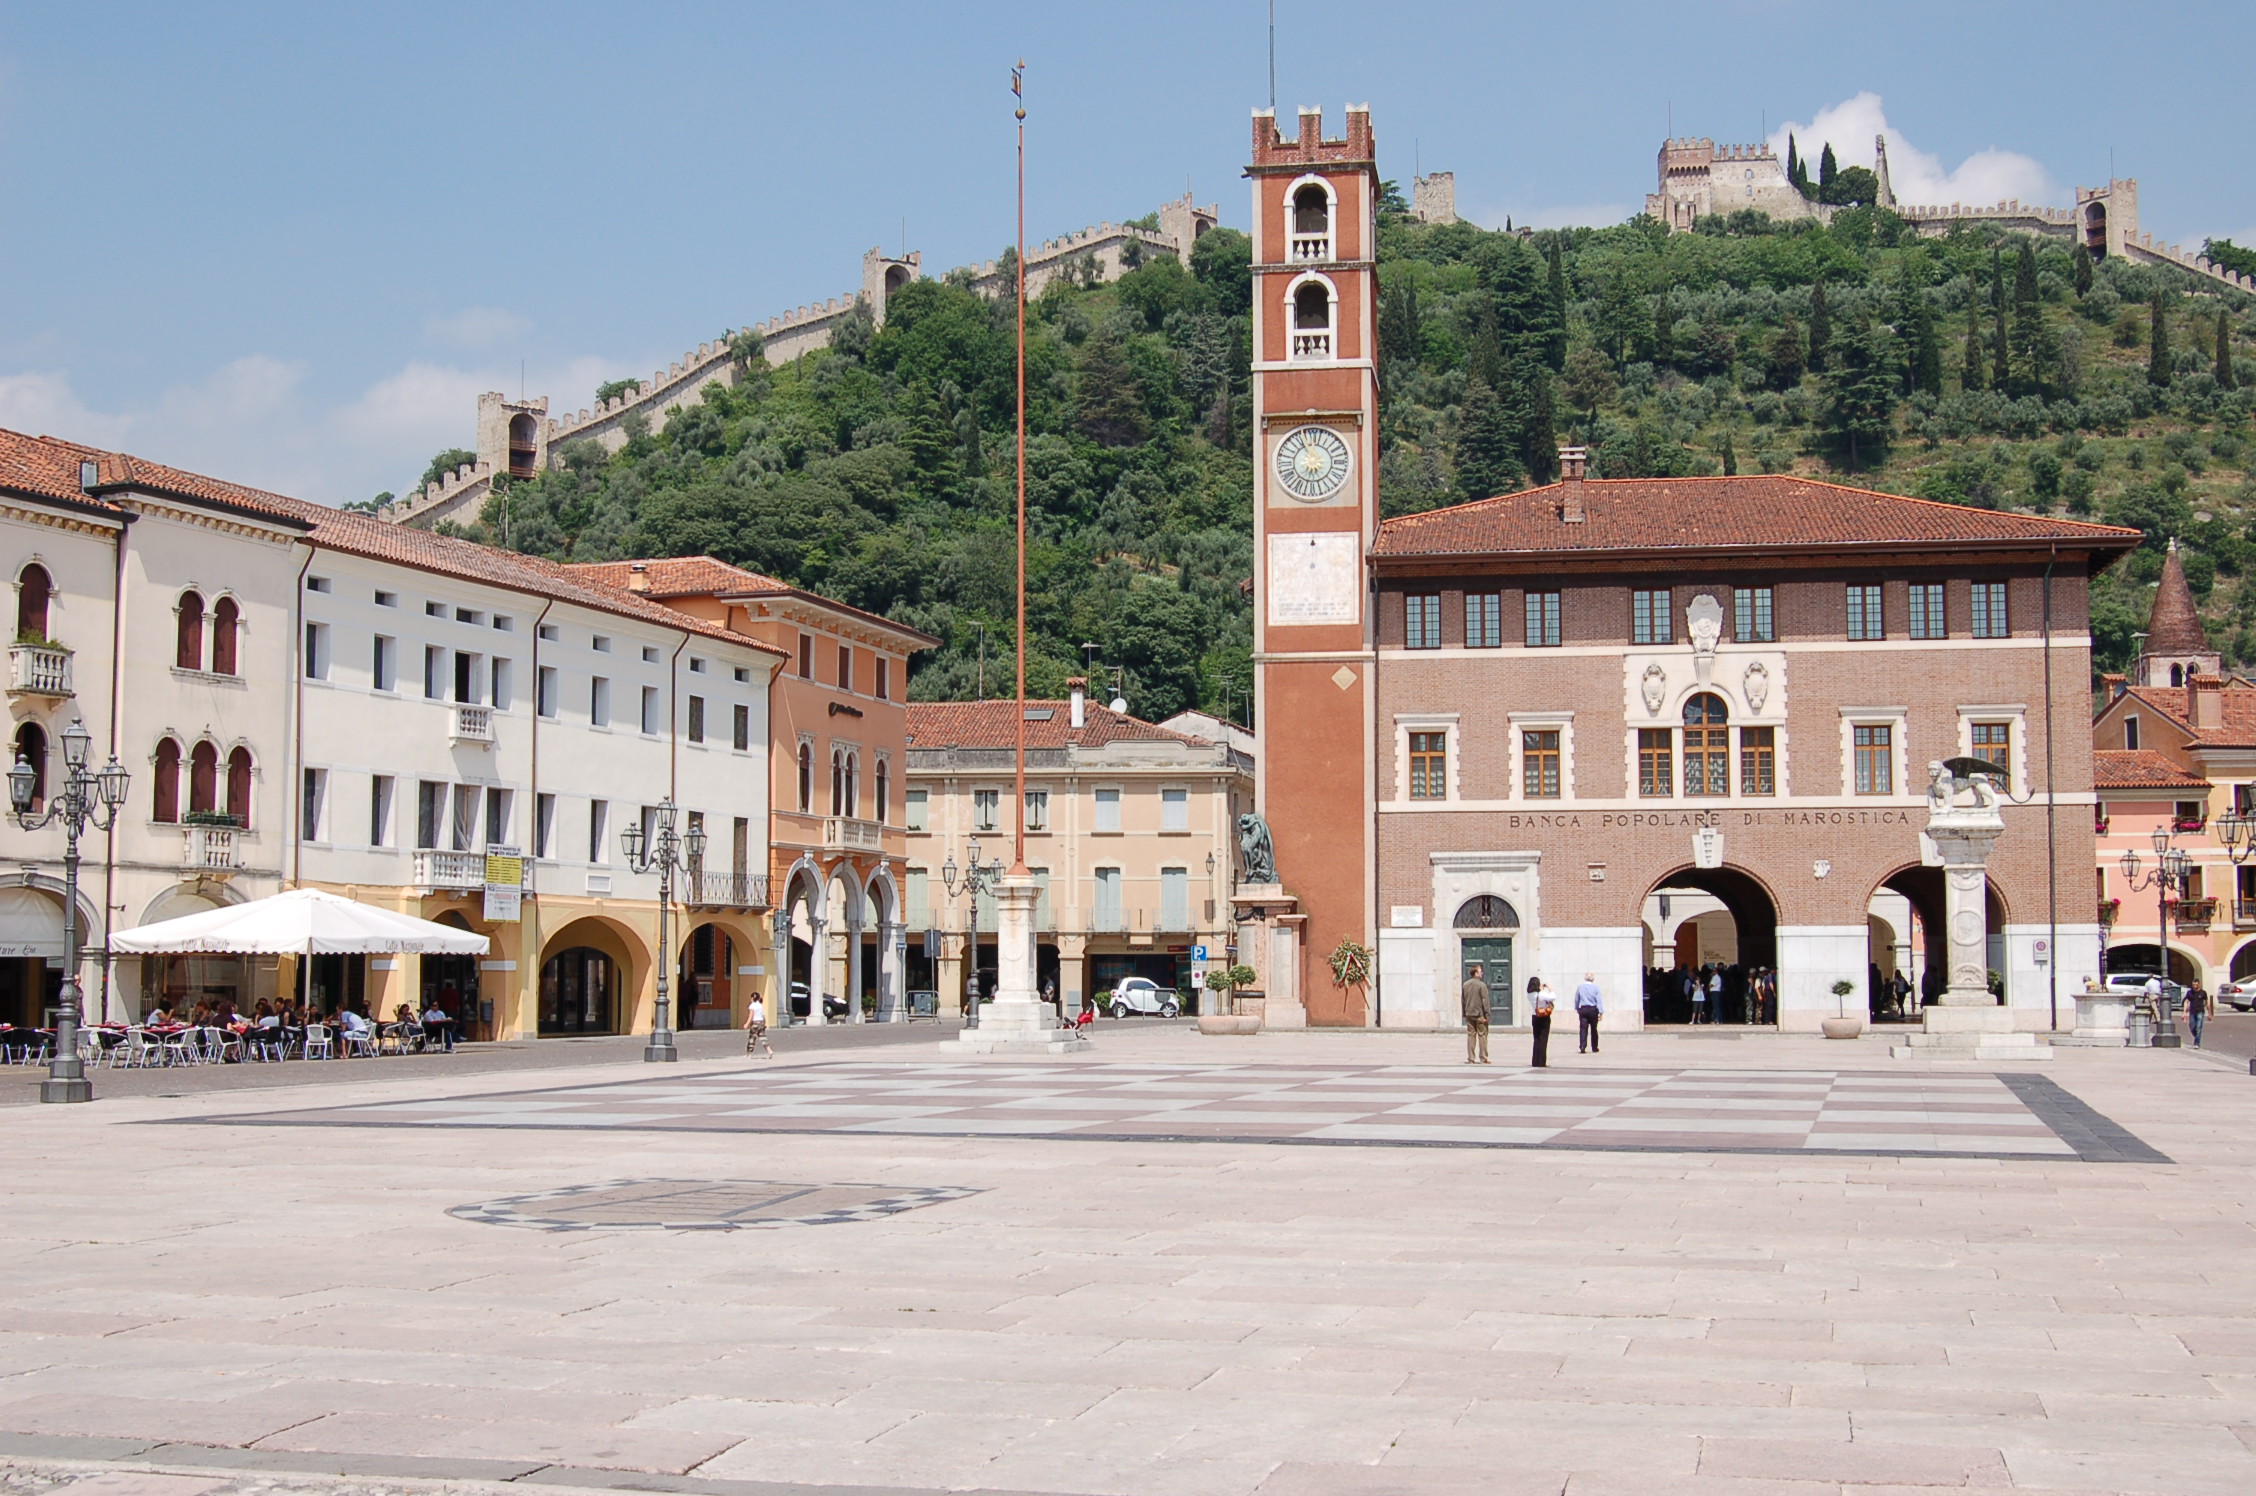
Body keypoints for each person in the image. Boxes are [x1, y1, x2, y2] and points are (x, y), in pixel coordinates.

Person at [1461, 963, 1490, 1065]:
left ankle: (1471, 1058)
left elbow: (1463, 1000)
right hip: (1479, 1014)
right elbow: (1485, 1001)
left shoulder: (1465, 984)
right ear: (1476, 973)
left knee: (1471, 1036)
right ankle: (1483, 1058)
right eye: (1480, 971)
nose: (1482, 972)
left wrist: (1464, 1013)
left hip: (1469, 1014)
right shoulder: (1482, 985)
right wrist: (1487, 1015)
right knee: (1482, 1035)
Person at [1574, 972, 1604, 1054]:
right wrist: (1601, 1012)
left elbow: (1577, 999)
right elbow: (1599, 1000)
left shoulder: (1580, 987)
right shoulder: (1596, 988)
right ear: (1593, 979)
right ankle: (1594, 1047)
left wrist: (1577, 1008)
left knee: (1583, 1028)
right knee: (1594, 1029)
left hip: (1583, 1009)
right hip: (1593, 1009)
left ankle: (1582, 1046)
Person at [1529, 978, 1555, 1067]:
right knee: (1543, 1039)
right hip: (1543, 1017)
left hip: (1535, 1016)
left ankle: (1535, 1061)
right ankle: (1541, 1061)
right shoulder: (1541, 994)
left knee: (1536, 1039)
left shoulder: (1530, 994)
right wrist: (1550, 989)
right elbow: (1553, 997)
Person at [2186, 982, 2209, 1048]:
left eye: (2196, 985)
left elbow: (2207, 1003)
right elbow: (2186, 1001)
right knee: (2192, 1027)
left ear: (2199, 984)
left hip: (2200, 1011)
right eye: (2193, 985)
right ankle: (2197, 1037)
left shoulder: (2203, 993)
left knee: (2198, 1027)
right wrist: (2184, 1012)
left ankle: (2197, 1043)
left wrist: (2209, 1013)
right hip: (2192, 1011)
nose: (2194, 986)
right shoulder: (2190, 992)